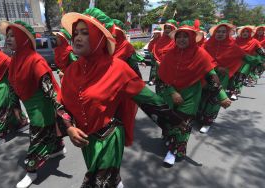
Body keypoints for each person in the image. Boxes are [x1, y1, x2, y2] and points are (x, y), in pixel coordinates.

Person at [59, 11, 186, 187]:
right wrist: (70, 128)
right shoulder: (72, 71)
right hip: (86, 140)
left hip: (109, 137)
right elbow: (62, 104)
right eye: (76, 33)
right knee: (108, 178)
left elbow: (147, 99)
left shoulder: (117, 68)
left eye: (85, 33)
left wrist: (175, 120)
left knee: (97, 183)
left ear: (99, 38)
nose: (77, 37)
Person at [0, 20, 66, 188]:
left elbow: (49, 88)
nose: (8, 39)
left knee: (36, 140)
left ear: (23, 38)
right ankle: (58, 148)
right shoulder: (14, 60)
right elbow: (13, 86)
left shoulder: (35, 60)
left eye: (13, 35)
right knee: (49, 133)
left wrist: (62, 113)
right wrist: (15, 108)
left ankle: (31, 171)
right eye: (7, 36)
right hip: (30, 106)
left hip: (42, 109)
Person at [157, 21, 231, 166]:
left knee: (183, 123)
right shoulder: (170, 54)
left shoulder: (201, 54)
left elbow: (211, 75)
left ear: (192, 38)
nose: (182, 39)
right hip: (170, 95)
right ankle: (170, 140)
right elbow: (161, 77)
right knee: (170, 121)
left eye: (186, 36)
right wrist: (172, 92)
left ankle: (173, 152)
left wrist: (222, 96)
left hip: (190, 96)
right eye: (179, 36)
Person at [197, 21, 242, 133]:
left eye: (223, 32)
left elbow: (240, 59)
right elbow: (200, 57)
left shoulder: (233, 47)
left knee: (214, 99)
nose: (220, 34)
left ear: (227, 33)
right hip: (206, 75)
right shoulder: (207, 44)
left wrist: (228, 70)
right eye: (218, 31)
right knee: (202, 96)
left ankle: (207, 122)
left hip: (221, 77)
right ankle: (199, 117)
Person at [231, 25, 265, 97]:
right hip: (234, 62)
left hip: (247, 62)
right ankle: (232, 89)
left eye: (247, 31)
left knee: (241, 76)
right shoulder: (235, 40)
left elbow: (261, 52)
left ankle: (236, 91)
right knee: (233, 77)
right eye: (244, 31)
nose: (245, 33)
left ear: (250, 33)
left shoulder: (254, 41)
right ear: (241, 33)